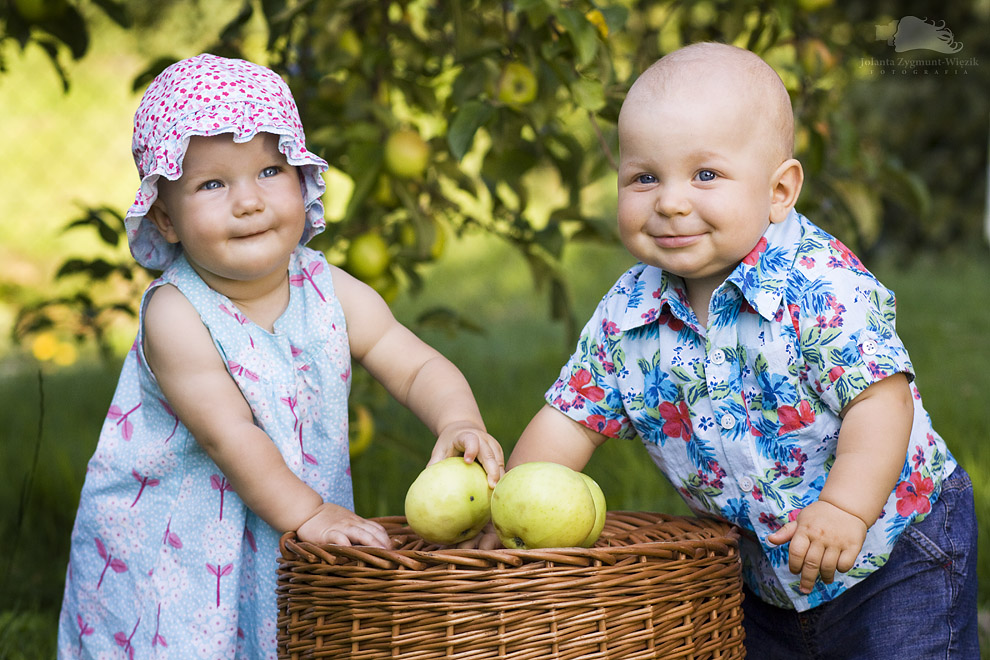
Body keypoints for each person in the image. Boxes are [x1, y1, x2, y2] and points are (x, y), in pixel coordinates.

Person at [505, 42, 977, 657]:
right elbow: (569, 421)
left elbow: (881, 400)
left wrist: (845, 509)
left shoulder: (818, 284)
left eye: (705, 175)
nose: (670, 201)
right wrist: (511, 509)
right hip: (761, 575)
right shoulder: (627, 316)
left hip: (892, 546)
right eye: (645, 177)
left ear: (779, 190)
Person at [57, 53, 503, 658]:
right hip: (176, 548)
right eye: (212, 184)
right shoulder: (176, 313)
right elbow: (228, 434)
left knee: (282, 632)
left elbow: (414, 362)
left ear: (302, 179)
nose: (248, 201)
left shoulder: (326, 287)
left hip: (286, 518)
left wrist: (458, 420)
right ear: (165, 217)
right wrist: (312, 512)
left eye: (270, 170)